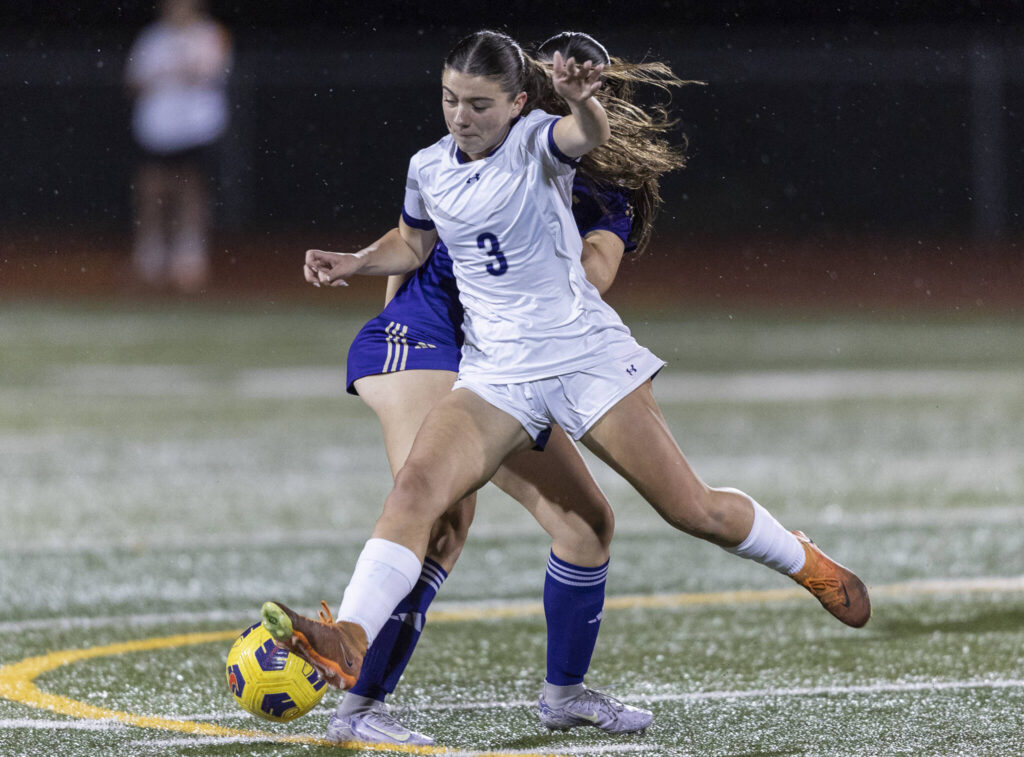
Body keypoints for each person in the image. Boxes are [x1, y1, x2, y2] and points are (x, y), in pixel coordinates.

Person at [263, 28, 870, 744]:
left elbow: (581, 136)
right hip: (497, 374)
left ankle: (805, 560)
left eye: (480, 103)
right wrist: (354, 261)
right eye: (451, 99)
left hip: (583, 357)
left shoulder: (536, 144)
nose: (461, 116)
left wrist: (586, 105)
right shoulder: (429, 165)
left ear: (518, 103)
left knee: (691, 508)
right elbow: (416, 240)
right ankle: (349, 638)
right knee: (419, 492)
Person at [315, 31, 686, 746]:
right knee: (443, 517)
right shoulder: (474, 155)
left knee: (586, 522)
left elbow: (593, 281)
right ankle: (357, 708)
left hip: (509, 364)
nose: (466, 114)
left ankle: (565, 696)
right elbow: (414, 246)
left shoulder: (592, 186)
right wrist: (393, 325)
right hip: (431, 342)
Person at [125, 0, 231, 293]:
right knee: (151, 188)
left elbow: (209, 72)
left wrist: (174, 71)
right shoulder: (153, 36)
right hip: (157, 127)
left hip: (195, 126)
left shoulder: (210, 33)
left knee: (190, 188)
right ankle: (150, 253)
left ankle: (188, 255)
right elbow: (133, 80)